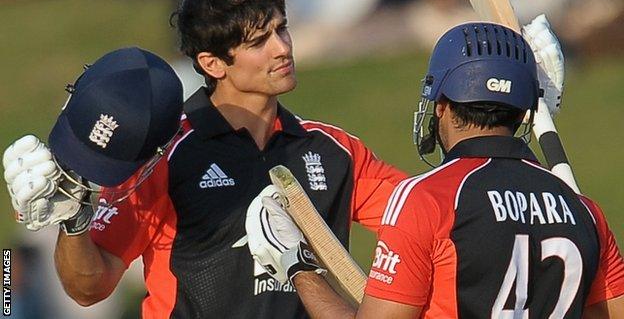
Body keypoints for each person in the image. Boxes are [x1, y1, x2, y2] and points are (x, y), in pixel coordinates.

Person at [4, 0, 407, 318]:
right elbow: (89, 288)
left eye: (281, 28)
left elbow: (425, 222)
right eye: (258, 41)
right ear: (213, 63)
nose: (282, 48)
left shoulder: (333, 150)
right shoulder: (164, 158)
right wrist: (74, 224)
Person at [245, 22, 624, 318]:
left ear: (442, 104)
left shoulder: (427, 198)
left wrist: (296, 265)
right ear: (523, 111)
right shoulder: (584, 212)